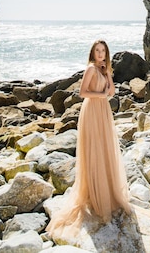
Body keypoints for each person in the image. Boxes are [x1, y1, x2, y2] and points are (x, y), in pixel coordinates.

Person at [47, 39, 132, 238]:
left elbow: (111, 92)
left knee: (105, 148)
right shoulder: (90, 70)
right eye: (97, 51)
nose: (100, 53)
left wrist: (108, 75)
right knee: (94, 150)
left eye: (103, 51)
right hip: (92, 110)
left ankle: (107, 192)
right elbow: (83, 92)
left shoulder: (103, 70)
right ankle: (94, 196)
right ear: (92, 53)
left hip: (102, 110)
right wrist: (100, 95)